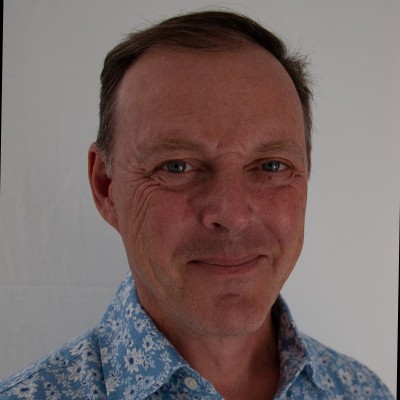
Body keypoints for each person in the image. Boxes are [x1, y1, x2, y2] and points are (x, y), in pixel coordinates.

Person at [0, 10, 394, 400]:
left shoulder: (363, 391)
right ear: (106, 187)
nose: (232, 214)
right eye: (177, 166)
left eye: (271, 166)